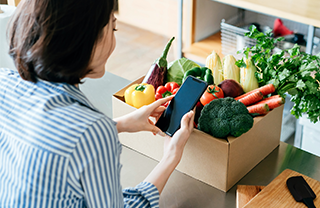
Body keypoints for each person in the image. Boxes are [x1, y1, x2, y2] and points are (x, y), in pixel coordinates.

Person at [0, 0, 195, 207]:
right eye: (113, 27)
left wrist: (120, 124)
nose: (114, 37)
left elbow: (44, 137)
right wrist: (171, 156)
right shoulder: (92, 132)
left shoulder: (3, 82)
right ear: (85, 41)